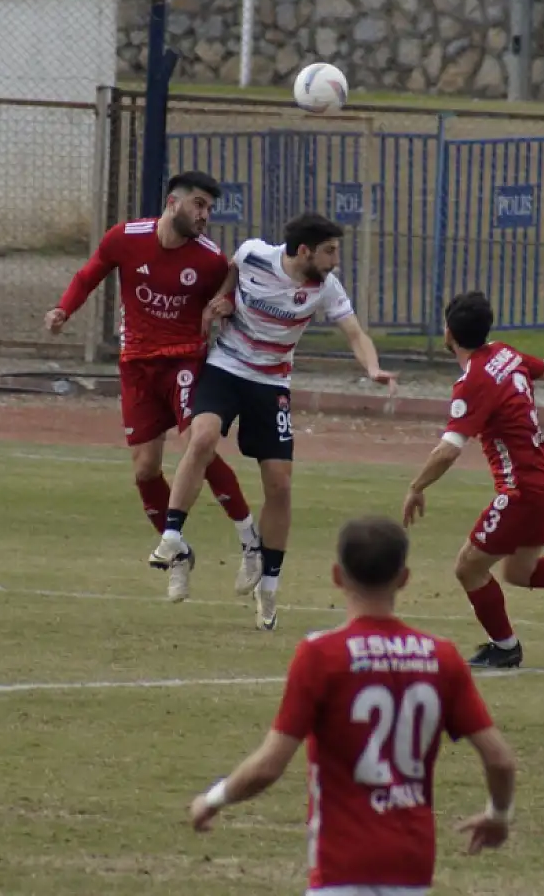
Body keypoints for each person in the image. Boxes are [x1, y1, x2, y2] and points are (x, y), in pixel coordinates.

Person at [187, 516, 518, 895]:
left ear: (337, 576)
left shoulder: (321, 655)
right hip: (411, 865)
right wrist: (498, 815)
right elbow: (500, 760)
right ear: (404, 578)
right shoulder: (441, 656)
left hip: (341, 867)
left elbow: (268, 766)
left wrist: (213, 799)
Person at [149, 213, 396, 631]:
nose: (336, 260)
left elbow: (355, 333)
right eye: (330, 251)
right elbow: (232, 269)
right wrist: (224, 298)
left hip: (271, 382)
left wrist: (372, 368)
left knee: (279, 484)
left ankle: (269, 583)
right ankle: (172, 535)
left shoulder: (326, 289)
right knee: (202, 436)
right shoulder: (254, 254)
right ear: (305, 251)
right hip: (226, 367)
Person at [45, 171, 261, 602]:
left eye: (209, 208)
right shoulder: (126, 238)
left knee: (199, 443)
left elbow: (232, 287)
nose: (205, 215)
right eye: (199, 205)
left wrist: (226, 302)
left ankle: (249, 538)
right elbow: (89, 275)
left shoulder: (209, 257)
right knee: (145, 469)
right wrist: (62, 309)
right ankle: (179, 554)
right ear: (172, 203)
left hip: (185, 360)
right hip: (136, 367)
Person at [401, 291, 544, 670]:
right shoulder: (503, 353)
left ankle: (505, 647)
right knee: (518, 571)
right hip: (542, 482)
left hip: (521, 489)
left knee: (468, 568)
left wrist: (416, 487)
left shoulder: (473, 381)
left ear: (448, 333)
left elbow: (448, 449)